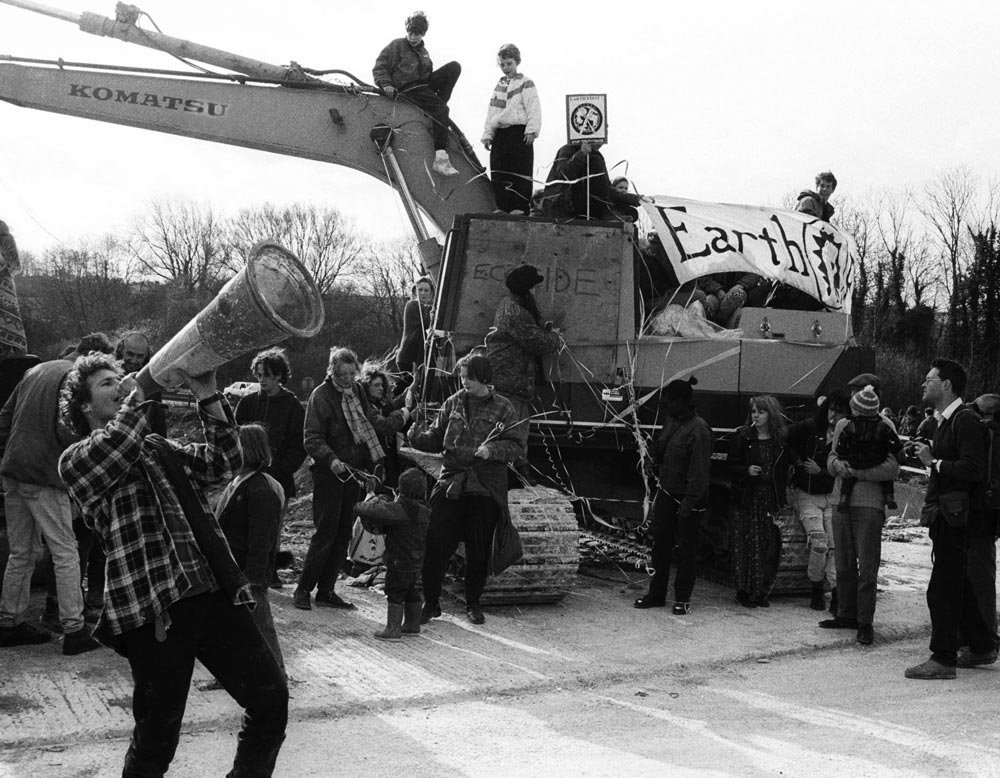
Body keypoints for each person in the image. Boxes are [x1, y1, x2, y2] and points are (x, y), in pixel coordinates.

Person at [57, 353, 287, 776]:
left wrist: (207, 394)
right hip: (153, 609)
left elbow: (225, 462)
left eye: (120, 378)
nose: (120, 384)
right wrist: (141, 390)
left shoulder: (158, 447)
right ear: (86, 407)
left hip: (209, 592)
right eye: (108, 383)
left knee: (271, 702)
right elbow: (118, 445)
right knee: (156, 740)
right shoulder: (77, 459)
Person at [407, 354, 525, 625]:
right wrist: (415, 436)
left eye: (469, 377)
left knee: (478, 546)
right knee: (436, 541)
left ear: (484, 377)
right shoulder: (453, 403)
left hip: (484, 485)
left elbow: (517, 446)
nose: (464, 382)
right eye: (462, 377)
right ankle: (432, 603)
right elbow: (436, 439)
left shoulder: (503, 408)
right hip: (452, 481)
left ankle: (473, 602)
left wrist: (491, 450)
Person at [294, 347, 409, 611]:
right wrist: (331, 459)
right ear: (331, 372)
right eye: (341, 373)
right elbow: (311, 438)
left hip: (355, 474)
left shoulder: (357, 392)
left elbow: (370, 424)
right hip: (330, 473)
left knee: (344, 532)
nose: (346, 378)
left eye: (350, 373)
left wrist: (376, 462)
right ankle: (303, 589)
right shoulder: (320, 396)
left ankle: (326, 590)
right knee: (326, 531)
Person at [0, 357, 101, 655]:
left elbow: (4, 416)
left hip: (14, 468)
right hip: (43, 474)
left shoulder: (36, 370)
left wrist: (6, 454)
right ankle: (74, 630)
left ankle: (8, 622)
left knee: (22, 552)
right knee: (65, 550)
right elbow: (70, 428)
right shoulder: (77, 380)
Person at [905, 360, 994, 679]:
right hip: (949, 516)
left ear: (946, 385)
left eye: (929, 380)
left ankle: (943, 659)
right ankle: (982, 646)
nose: (923, 385)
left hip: (960, 517)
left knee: (942, 588)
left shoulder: (965, 420)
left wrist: (935, 462)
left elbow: (973, 470)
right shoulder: (946, 421)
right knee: (961, 585)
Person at [822, 373, 900, 646]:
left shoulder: (885, 425)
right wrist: (838, 467)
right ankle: (846, 613)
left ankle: (865, 621)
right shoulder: (843, 424)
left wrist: (859, 472)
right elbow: (832, 456)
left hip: (868, 503)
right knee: (843, 563)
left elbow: (893, 467)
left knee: (868, 566)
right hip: (840, 501)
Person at [633, 377, 712, 615]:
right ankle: (656, 594)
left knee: (686, 550)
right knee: (660, 547)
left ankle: (683, 598)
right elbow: (661, 449)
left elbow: (699, 472)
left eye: (668, 403)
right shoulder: (672, 421)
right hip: (667, 493)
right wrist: (650, 460)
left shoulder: (699, 429)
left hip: (688, 499)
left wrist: (688, 504)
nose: (665, 407)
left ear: (680, 402)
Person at [214, 424, 286, 676]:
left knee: (261, 627)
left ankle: (276, 673)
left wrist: (253, 580)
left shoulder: (261, 490)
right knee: (234, 628)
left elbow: (261, 541)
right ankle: (232, 675)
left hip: (249, 575)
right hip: (235, 572)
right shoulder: (238, 483)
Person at [485, 264, 560, 485]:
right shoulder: (516, 312)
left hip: (509, 380)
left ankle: (515, 473)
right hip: (510, 382)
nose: (537, 291)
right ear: (526, 289)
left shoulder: (511, 307)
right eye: (535, 287)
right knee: (514, 432)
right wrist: (554, 337)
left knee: (513, 430)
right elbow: (538, 343)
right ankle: (512, 477)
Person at [372, 11, 461, 176]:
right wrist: (386, 84)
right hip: (407, 88)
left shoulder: (424, 52)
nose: (413, 37)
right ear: (407, 30)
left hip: (422, 86)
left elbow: (429, 73)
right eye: (411, 33)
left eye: (417, 34)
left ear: (423, 34)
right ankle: (440, 159)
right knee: (442, 111)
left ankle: (436, 108)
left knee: (454, 67)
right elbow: (380, 67)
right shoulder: (396, 45)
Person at [786, 392, 848, 612]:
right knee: (820, 544)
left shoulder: (846, 434)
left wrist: (819, 472)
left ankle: (835, 591)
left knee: (834, 546)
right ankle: (816, 589)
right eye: (831, 409)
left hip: (831, 494)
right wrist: (798, 462)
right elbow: (788, 440)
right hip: (807, 494)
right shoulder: (811, 428)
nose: (833, 414)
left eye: (839, 411)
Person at [356, 467, 431, 641]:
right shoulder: (424, 509)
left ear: (401, 488)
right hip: (417, 560)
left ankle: (392, 629)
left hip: (398, 560)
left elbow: (371, 511)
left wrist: (361, 504)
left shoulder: (400, 509)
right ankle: (413, 625)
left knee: (394, 591)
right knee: (411, 590)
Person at [728, 395, 789, 608]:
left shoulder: (779, 440)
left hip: (768, 498)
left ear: (770, 414)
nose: (756, 415)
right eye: (753, 411)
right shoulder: (743, 437)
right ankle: (743, 590)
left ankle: (760, 590)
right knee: (744, 544)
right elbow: (729, 467)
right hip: (747, 497)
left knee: (765, 545)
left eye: (761, 411)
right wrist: (746, 470)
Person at [234, 348, 306, 506]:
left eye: (266, 375)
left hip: (279, 479)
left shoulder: (292, 406)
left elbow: (299, 444)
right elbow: (234, 437)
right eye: (258, 375)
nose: (261, 379)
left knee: (273, 528)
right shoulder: (247, 403)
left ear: (278, 375)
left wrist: (281, 469)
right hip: (247, 478)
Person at [482, 43, 541, 214]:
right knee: (499, 168)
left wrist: (532, 130)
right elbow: (492, 111)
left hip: (519, 131)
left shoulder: (526, 82)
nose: (506, 67)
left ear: (517, 62)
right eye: (502, 64)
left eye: (509, 63)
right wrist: (488, 133)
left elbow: (533, 107)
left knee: (520, 168)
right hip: (501, 132)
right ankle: (503, 206)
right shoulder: (499, 86)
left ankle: (520, 207)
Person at [834, 384, 903, 512]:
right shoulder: (883, 426)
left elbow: (842, 443)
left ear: (858, 410)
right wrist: (901, 454)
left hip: (855, 460)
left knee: (848, 481)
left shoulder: (850, 425)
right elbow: (894, 442)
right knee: (887, 481)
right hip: (877, 458)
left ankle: (844, 497)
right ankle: (889, 496)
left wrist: (841, 456)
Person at [967, 393, 1000, 654]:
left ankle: (985, 639)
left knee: (980, 577)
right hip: (987, 513)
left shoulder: (989, 436)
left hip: (982, 512)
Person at [540, 141, 645, 220]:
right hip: (564, 206)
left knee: (632, 212)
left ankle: (608, 212)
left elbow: (605, 190)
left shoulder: (597, 156)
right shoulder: (568, 149)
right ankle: (606, 212)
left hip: (586, 204)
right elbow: (563, 176)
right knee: (594, 160)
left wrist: (634, 199)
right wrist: (581, 155)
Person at [359, 361, 407, 489]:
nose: (381, 388)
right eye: (376, 385)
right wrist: (404, 414)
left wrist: (408, 392)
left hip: (381, 457)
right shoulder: (367, 407)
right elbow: (385, 426)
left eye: (382, 385)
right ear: (366, 386)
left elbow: (389, 407)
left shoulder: (377, 404)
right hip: (370, 459)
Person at [395, 276, 435, 391]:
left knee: (414, 390)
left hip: (418, 358)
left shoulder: (427, 308)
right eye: (420, 290)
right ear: (415, 291)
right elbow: (428, 320)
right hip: (408, 357)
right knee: (408, 389)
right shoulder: (412, 305)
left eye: (426, 290)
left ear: (431, 293)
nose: (423, 293)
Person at [0, 219, 27, 356]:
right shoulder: (8, 239)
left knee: (7, 317)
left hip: (4, 288)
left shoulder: (6, 240)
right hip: (7, 287)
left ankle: (10, 349)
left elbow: (12, 264)